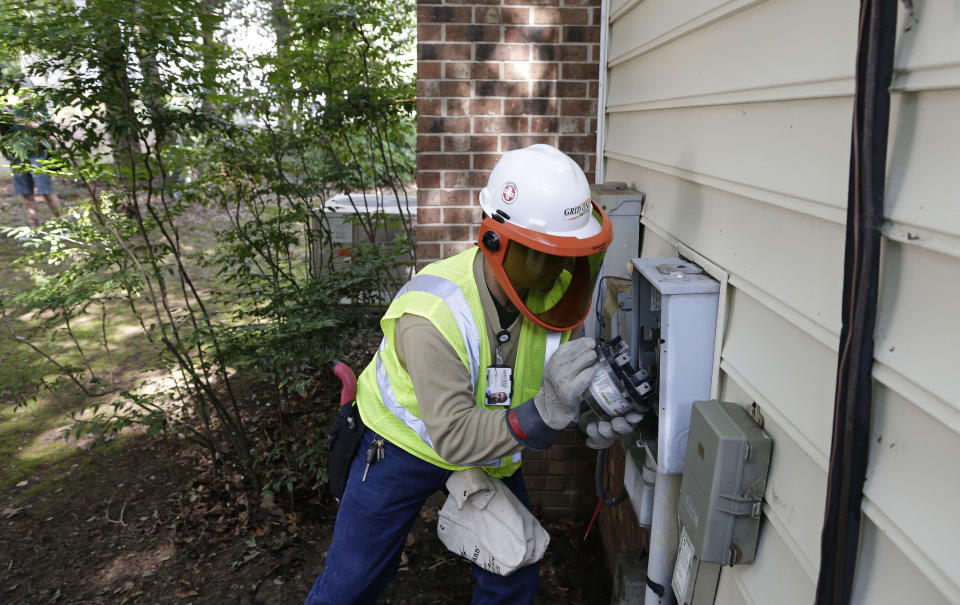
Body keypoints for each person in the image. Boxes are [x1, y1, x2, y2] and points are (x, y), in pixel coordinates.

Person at [305, 144, 631, 605]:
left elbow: (555, 383)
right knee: (352, 580)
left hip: (492, 448)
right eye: (542, 255)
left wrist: (589, 410)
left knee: (512, 571)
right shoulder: (432, 315)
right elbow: (455, 435)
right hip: (401, 446)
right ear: (495, 241)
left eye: (568, 255)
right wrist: (545, 414)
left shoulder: (557, 292)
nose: (558, 271)